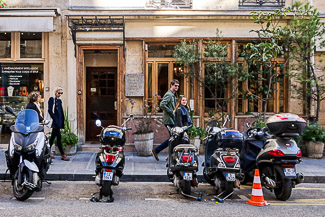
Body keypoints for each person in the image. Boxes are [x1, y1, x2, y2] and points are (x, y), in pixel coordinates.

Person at [152, 79, 179, 161]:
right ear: (171, 85)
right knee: (174, 138)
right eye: (175, 86)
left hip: (171, 119)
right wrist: (171, 112)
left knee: (173, 138)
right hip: (168, 120)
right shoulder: (169, 94)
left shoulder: (172, 94)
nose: (176, 87)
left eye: (177, 86)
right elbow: (162, 104)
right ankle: (158, 151)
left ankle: (168, 155)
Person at [48, 87, 70, 161]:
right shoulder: (52, 99)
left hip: (59, 121)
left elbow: (61, 112)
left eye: (61, 93)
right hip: (56, 122)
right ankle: (63, 154)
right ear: (55, 92)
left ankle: (46, 153)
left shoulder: (59, 100)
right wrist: (55, 119)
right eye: (59, 93)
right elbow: (50, 110)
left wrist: (62, 121)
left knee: (52, 138)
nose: (60, 94)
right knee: (59, 138)